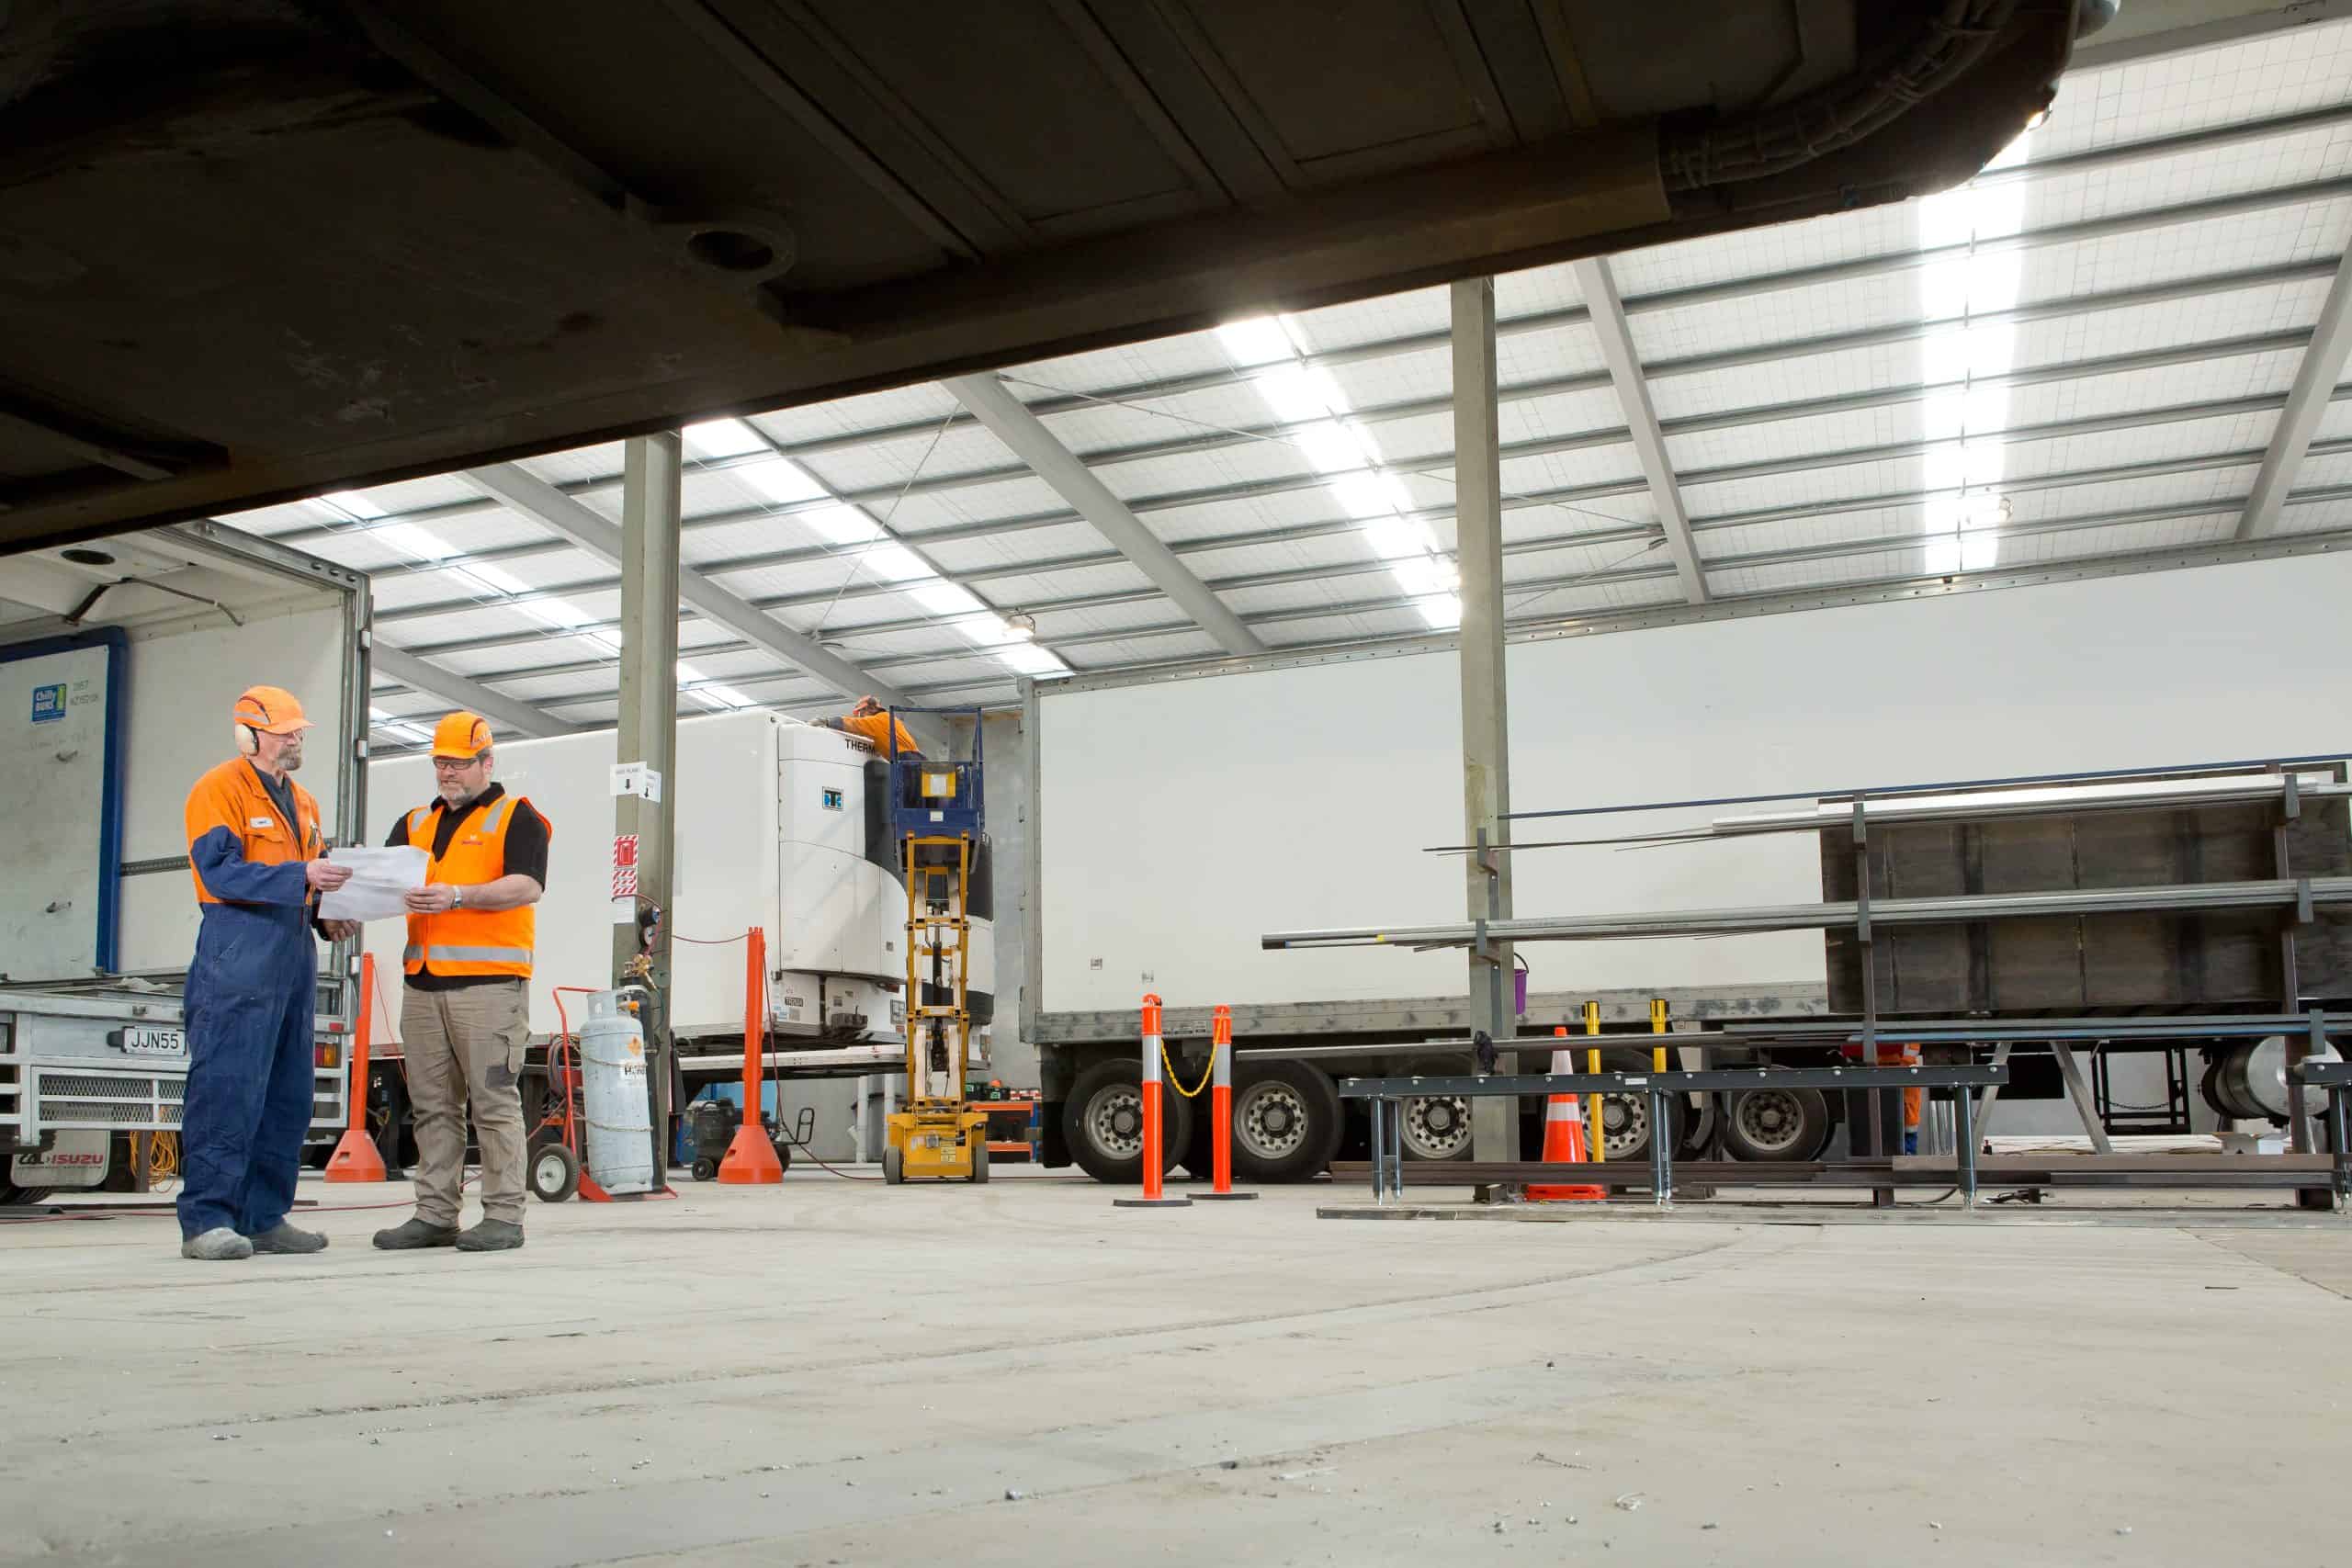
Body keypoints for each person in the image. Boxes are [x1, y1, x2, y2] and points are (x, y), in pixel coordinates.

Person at [178, 685, 357, 1260]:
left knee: (288, 1095)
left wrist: (324, 918)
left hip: (292, 957)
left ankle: (264, 1216)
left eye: (298, 729)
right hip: (238, 951)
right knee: (227, 1089)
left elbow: (311, 876)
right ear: (249, 735)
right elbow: (220, 873)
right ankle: (207, 1220)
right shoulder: (218, 789)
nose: (296, 737)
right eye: (285, 730)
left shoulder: (303, 801)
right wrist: (301, 878)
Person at [371, 712, 550, 1254]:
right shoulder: (413, 825)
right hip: (423, 987)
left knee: (493, 1103)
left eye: (457, 763)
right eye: (440, 763)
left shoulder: (516, 817)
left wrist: (458, 895)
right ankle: (434, 1214)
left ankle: (503, 1216)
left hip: (489, 988)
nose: (447, 773)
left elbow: (527, 886)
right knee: (431, 1106)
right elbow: (380, 883)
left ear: (486, 762)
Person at [817, 694, 921, 758]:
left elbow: (853, 724)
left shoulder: (877, 721)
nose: (860, 717)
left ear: (871, 709)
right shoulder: (888, 719)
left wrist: (826, 721)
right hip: (920, 763)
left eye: (861, 713)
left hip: (908, 762)